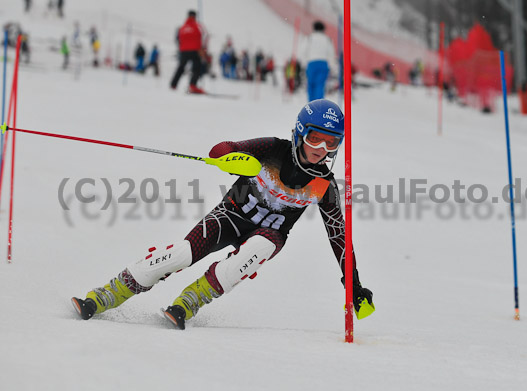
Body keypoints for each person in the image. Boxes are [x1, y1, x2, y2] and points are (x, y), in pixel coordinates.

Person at [71, 99, 375, 330]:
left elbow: (339, 237)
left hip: (269, 234)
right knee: (181, 254)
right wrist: (231, 160)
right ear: (299, 133)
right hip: (230, 216)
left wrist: (354, 285)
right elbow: (222, 149)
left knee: (256, 251)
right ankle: (104, 295)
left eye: (331, 141)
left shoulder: (325, 185)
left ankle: (188, 303)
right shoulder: (272, 149)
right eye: (314, 138)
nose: (321, 148)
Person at [170, 10, 206, 94]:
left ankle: (173, 84)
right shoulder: (197, 26)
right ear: (194, 16)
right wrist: (201, 50)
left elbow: (178, 39)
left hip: (184, 50)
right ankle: (192, 85)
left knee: (181, 67)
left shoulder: (182, 27)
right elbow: (200, 38)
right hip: (194, 50)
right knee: (196, 67)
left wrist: (181, 48)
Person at [304, 20, 336, 102]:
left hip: (311, 63)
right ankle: (319, 104)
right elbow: (331, 53)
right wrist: (332, 67)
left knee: (311, 84)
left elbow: (303, 51)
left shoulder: (309, 38)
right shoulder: (327, 39)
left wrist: (304, 63)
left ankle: (311, 105)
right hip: (323, 63)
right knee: (320, 85)